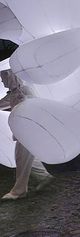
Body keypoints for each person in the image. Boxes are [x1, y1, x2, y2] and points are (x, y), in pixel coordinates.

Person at [0, 69, 54, 200]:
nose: (2, 80)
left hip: (27, 131)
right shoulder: (16, 92)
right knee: (25, 156)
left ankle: (19, 191)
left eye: (3, 77)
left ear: (10, 76)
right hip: (25, 131)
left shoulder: (22, 91)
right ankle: (44, 177)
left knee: (21, 157)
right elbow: (5, 103)